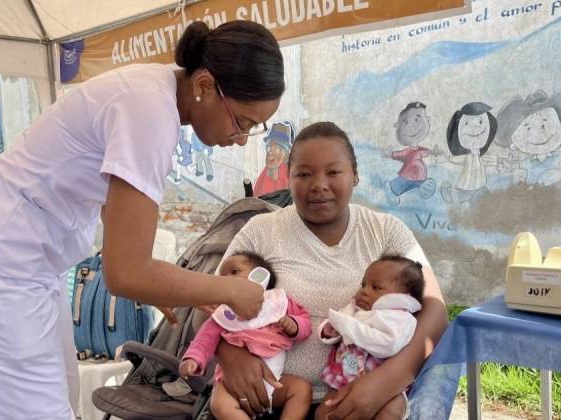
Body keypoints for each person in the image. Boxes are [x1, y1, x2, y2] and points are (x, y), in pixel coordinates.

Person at [0, 20, 284, 420]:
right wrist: (229, 290)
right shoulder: (149, 112)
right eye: (242, 122)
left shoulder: (153, 92)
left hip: (21, 257)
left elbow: (115, 217)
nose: (241, 139)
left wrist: (171, 285)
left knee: (62, 400)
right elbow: (126, 272)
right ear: (204, 86)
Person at [210, 122, 448, 419]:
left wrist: (384, 383)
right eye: (304, 174)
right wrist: (230, 355)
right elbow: (208, 302)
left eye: (334, 172)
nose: (319, 185)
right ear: (288, 177)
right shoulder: (261, 231)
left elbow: (436, 311)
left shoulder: (386, 232)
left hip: (359, 404)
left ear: (355, 175)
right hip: (271, 399)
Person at [179, 252, 313, 420]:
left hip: (275, 382)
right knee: (219, 404)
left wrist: (295, 325)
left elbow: (305, 323)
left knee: (301, 390)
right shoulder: (224, 314)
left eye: (235, 272)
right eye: (222, 277)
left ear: (260, 275)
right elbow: (204, 340)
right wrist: (192, 359)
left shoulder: (278, 302)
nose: (226, 279)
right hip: (233, 387)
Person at [315, 255, 425, 420]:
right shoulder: (355, 309)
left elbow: (388, 344)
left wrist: (349, 327)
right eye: (363, 285)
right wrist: (329, 330)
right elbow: (338, 321)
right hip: (344, 378)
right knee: (323, 413)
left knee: (390, 413)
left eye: (376, 287)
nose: (364, 291)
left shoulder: (400, 318)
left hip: (386, 388)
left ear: (403, 296)